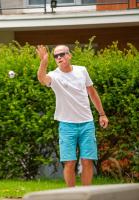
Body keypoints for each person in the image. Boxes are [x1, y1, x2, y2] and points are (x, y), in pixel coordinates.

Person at [36, 45, 109, 187]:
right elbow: (42, 78)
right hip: (66, 125)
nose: (59, 58)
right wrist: (44, 61)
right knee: (70, 162)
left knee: (87, 160)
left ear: (69, 55)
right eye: (55, 56)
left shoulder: (82, 71)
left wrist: (102, 114)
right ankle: (72, 194)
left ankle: (86, 194)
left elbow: (92, 93)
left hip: (87, 123)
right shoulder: (54, 75)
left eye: (62, 54)